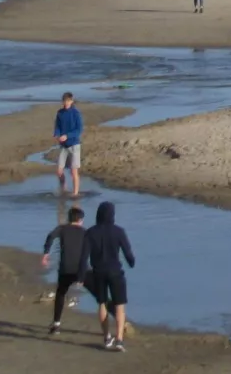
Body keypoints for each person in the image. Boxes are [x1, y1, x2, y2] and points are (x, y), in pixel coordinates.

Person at [85, 200, 136, 351]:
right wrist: (131, 262)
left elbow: (84, 256)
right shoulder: (119, 231)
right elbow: (128, 253)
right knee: (120, 305)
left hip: (98, 272)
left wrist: (81, 275)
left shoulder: (90, 232)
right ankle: (119, 339)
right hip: (115, 272)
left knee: (102, 304)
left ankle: (107, 337)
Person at [41, 206, 88, 334]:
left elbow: (50, 236)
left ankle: (56, 323)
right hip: (81, 269)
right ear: (80, 220)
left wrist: (46, 253)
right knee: (99, 295)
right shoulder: (85, 232)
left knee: (61, 293)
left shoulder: (62, 229)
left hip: (65, 268)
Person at [53, 92, 83, 196]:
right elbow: (57, 126)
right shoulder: (60, 113)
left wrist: (67, 135)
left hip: (74, 144)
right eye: (64, 101)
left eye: (67, 101)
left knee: (73, 171)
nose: (65, 103)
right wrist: (57, 134)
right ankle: (64, 189)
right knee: (59, 171)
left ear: (71, 101)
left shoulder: (75, 113)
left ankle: (75, 193)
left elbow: (79, 130)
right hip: (63, 145)